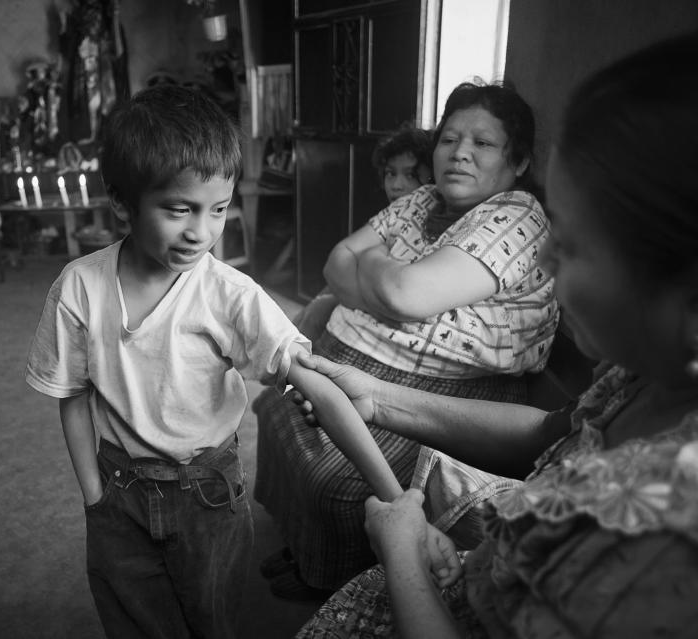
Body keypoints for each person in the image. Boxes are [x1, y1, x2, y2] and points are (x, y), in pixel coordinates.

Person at [295, 31, 698, 638]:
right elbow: (552, 430)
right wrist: (379, 398)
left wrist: (401, 554)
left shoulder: (662, 542)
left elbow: (401, 292)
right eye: (450, 139)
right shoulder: (643, 374)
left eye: (573, 243)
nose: (546, 262)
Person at [25, 84, 408, 639]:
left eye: (219, 210)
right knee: (134, 619)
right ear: (120, 200)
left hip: (207, 493)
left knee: (213, 621)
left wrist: (397, 502)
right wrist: (94, 495)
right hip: (118, 490)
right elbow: (72, 394)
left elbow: (323, 391)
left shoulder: (232, 296)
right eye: (179, 209)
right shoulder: (80, 287)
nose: (201, 232)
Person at [254, 81, 560, 600]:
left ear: (520, 160)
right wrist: (387, 286)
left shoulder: (516, 216)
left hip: (452, 387)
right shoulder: (421, 198)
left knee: (338, 479)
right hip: (359, 356)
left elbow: (402, 292)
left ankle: (340, 584)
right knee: (272, 409)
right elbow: (336, 262)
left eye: (482, 143)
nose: (459, 153)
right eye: (448, 139)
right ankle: (307, 551)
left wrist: (374, 268)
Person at [295, 125, 435, 343]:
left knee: (319, 311)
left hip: (393, 319)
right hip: (368, 300)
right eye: (391, 173)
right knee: (315, 307)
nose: (397, 185)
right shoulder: (390, 218)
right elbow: (333, 267)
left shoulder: (432, 227)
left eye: (410, 174)